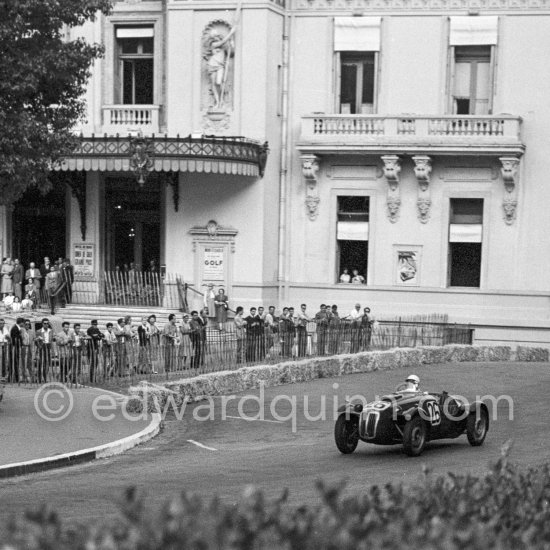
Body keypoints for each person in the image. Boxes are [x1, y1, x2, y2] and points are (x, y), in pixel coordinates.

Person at [204, 19, 238, 110]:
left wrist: (232, 44)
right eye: (214, 37)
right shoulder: (214, 44)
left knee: (219, 82)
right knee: (213, 84)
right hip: (212, 64)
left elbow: (231, 53)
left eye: (217, 36)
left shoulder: (223, 47)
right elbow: (222, 42)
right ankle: (217, 102)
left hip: (220, 66)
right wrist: (231, 33)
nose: (215, 38)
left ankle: (222, 101)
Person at [35, 318, 53, 383]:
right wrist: (39, 346)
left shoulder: (50, 331)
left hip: (48, 346)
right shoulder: (38, 331)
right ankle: (39, 378)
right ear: (42, 324)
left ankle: (45, 377)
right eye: (45, 323)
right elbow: (36, 341)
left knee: (47, 363)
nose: (46, 325)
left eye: (47, 323)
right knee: (40, 363)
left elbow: (51, 340)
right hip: (41, 347)